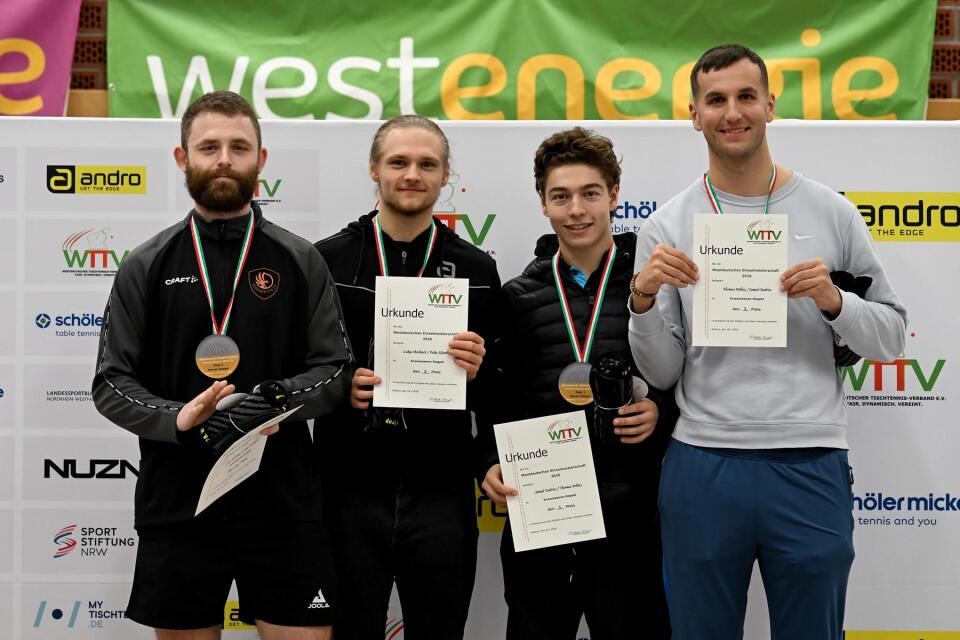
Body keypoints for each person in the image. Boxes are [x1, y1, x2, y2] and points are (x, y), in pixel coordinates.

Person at [628, 44, 908, 640]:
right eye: (716, 100)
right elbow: (661, 371)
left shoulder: (832, 212)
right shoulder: (667, 224)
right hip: (703, 462)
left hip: (810, 460)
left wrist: (836, 301)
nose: (732, 112)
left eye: (746, 96)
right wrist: (643, 299)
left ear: (771, 106)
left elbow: (891, 339)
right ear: (694, 114)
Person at [92, 91, 352, 640]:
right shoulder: (146, 263)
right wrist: (177, 417)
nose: (225, 159)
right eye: (209, 147)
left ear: (261, 159)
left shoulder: (300, 258)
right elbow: (112, 382)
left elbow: (334, 368)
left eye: (240, 147)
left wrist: (277, 402)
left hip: (282, 502)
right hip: (179, 501)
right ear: (182, 158)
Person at [479, 127, 671, 640]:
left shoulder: (651, 287)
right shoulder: (517, 296)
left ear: (614, 195)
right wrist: (488, 461)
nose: (577, 210)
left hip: (631, 510)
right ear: (543, 203)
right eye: (560, 196)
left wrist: (660, 410)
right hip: (542, 508)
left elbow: (690, 375)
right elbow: (494, 396)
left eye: (590, 193)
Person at [313, 115, 501, 640]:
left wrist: (480, 369)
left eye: (427, 164)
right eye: (398, 162)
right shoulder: (327, 261)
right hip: (349, 486)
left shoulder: (475, 268)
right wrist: (340, 387)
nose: (412, 174)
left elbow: (497, 389)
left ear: (445, 176)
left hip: (441, 489)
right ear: (375, 169)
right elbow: (300, 370)